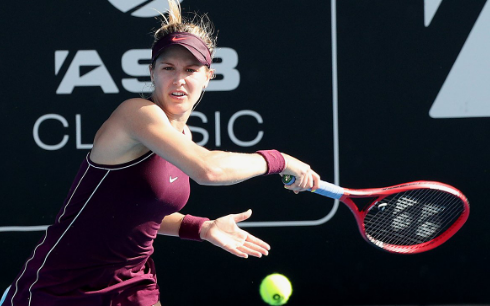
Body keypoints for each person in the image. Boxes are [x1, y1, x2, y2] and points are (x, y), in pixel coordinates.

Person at [3, 1, 320, 305]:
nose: (179, 79)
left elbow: (140, 212)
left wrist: (203, 227)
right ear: (152, 71)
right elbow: (208, 169)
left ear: (208, 77)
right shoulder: (136, 114)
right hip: (61, 288)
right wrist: (279, 160)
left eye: (191, 69)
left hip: (131, 285)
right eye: (168, 67)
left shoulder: (183, 137)